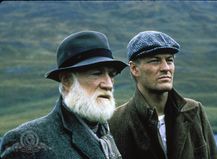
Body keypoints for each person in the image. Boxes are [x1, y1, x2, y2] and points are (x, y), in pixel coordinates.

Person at [0, 31, 127, 159]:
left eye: (111, 75)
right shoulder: (29, 141)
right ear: (67, 81)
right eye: (96, 73)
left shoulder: (111, 134)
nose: (108, 84)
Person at [109, 31, 217, 159]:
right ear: (134, 69)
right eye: (155, 61)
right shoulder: (114, 122)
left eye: (169, 60)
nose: (166, 68)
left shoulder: (194, 111)